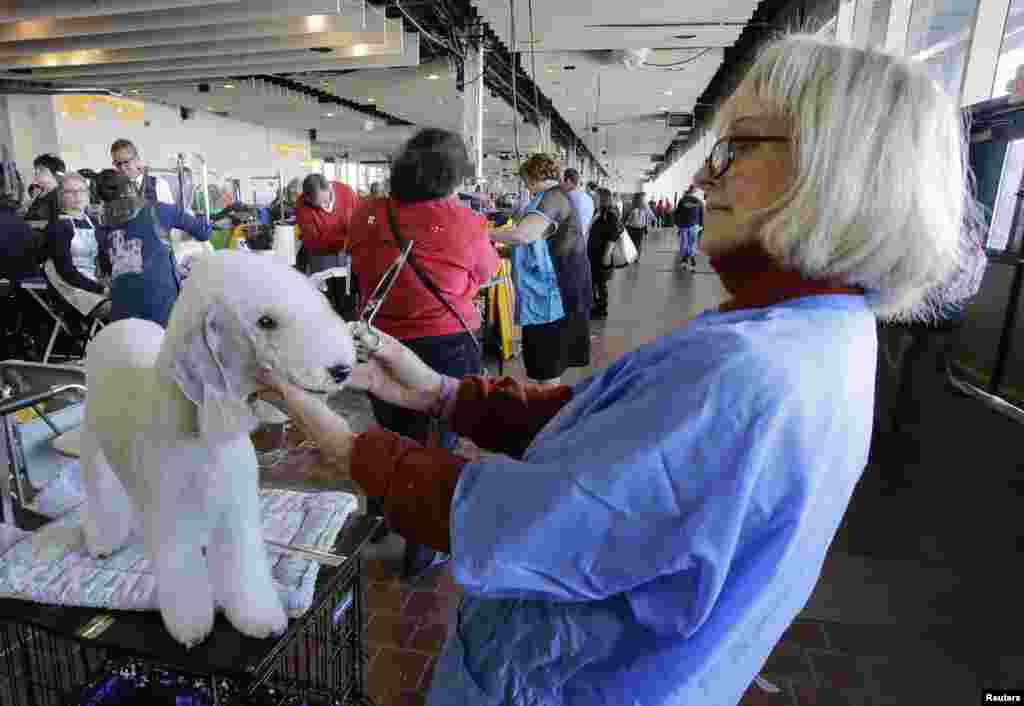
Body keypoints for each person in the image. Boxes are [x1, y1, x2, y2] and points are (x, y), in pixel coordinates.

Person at [255, 33, 972, 705]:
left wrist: (349, 447)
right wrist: (445, 393)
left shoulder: (747, 370)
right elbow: (602, 436)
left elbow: (524, 524)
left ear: (836, 170)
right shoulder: (822, 335)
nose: (708, 177)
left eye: (737, 148)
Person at [349, 127, 499, 580]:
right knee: (435, 444)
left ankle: (378, 514)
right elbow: (486, 273)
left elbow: (358, 268)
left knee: (388, 429)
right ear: (453, 177)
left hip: (378, 343)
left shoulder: (368, 213)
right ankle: (422, 546)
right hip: (445, 345)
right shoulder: (465, 222)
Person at [490, 153, 592, 385]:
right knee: (546, 360)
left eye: (524, 178)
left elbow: (523, 235)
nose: (524, 183)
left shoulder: (552, 198)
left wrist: (480, 232)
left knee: (548, 362)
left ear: (532, 175)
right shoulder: (550, 197)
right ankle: (549, 404)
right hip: (550, 289)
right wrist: (500, 252)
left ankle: (549, 411)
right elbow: (537, 245)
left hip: (555, 293)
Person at [94, 169, 211, 327]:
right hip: (160, 298)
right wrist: (201, 215)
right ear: (131, 188)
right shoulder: (160, 210)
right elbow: (204, 233)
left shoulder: (101, 226)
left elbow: (106, 267)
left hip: (121, 300)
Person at [294, 172, 361, 318]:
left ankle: (351, 331)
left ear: (330, 188)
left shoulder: (347, 192)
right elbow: (314, 241)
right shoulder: (302, 205)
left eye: (327, 200)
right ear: (307, 198)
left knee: (348, 298)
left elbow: (359, 221)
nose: (325, 206)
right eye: (319, 204)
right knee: (325, 303)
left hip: (347, 258)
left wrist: (352, 239)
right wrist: (345, 238)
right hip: (321, 259)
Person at [43, 172, 108, 317]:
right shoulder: (58, 227)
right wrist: (101, 289)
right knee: (118, 309)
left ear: (88, 194)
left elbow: (105, 259)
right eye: (70, 192)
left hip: (91, 282)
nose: (77, 195)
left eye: (81, 191)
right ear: (61, 196)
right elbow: (66, 271)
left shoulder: (94, 224)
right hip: (68, 288)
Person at [587, 187, 622, 320]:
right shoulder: (598, 212)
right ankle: (594, 305)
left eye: (595, 197)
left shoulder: (610, 214)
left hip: (602, 254)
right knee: (594, 281)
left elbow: (612, 236)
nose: (593, 199)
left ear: (602, 199)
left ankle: (601, 309)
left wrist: (607, 254)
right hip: (593, 252)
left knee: (601, 282)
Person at [110, 139, 175, 205]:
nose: (122, 168)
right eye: (118, 164)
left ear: (137, 159)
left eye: (126, 162)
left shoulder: (159, 185)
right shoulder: (113, 189)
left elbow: (170, 214)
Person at [23, 154, 66, 227]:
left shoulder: (61, 196)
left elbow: (60, 224)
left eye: (41, 170)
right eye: (35, 169)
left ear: (56, 174)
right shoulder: (39, 194)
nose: (36, 173)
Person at [674, 185, 704, 271]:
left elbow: (677, 213)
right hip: (693, 225)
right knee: (691, 243)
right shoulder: (698, 201)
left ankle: (685, 259)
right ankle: (690, 258)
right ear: (694, 191)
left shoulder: (682, 200)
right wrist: (701, 225)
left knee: (685, 243)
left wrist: (678, 224)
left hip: (685, 225)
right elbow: (701, 213)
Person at [561, 168, 595, 239]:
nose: (562, 184)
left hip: (568, 239)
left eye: (562, 181)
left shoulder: (567, 196)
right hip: (583, 239)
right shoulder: (589, 198)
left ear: (568, 181)